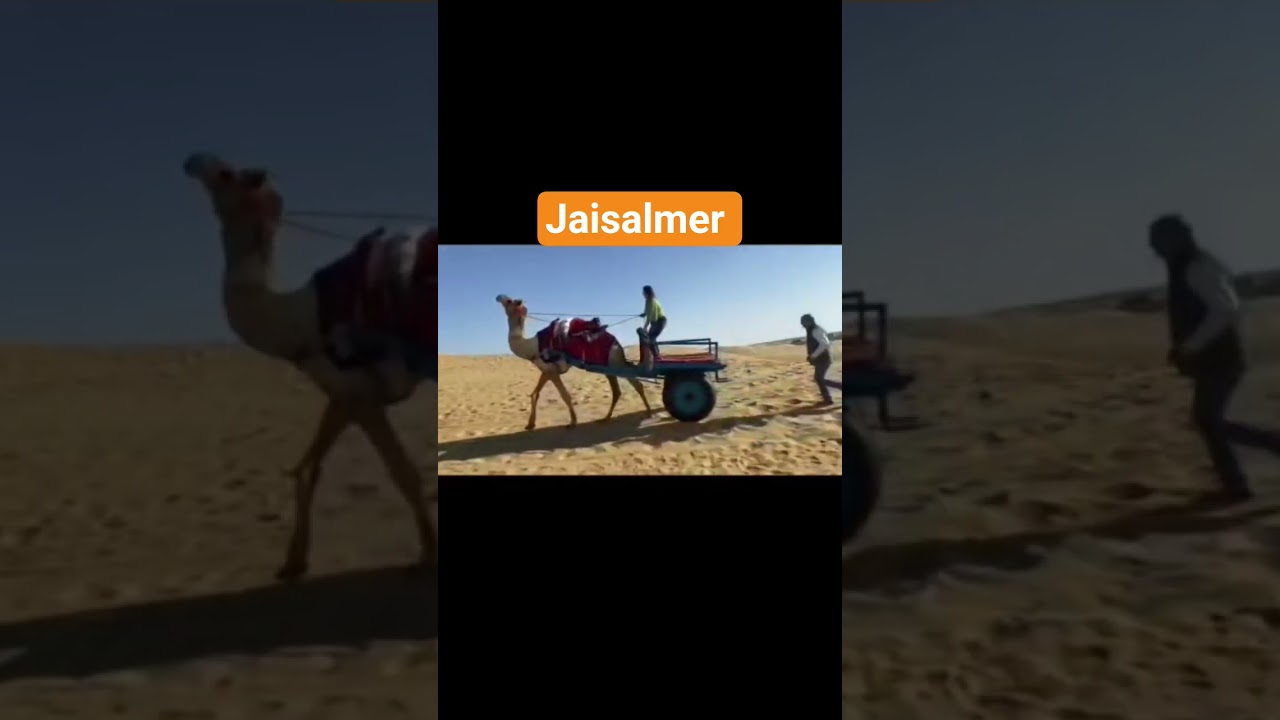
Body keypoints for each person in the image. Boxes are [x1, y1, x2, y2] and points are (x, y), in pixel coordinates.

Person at [1150, 213, 1280, 502]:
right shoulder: (1186, 265)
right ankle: (1237, 483)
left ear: (1175, 239)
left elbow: (1225, 309)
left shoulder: (1196, 266)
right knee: (1209, 420)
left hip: (1221, 357)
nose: (1154, 250)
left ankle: (1240, 481)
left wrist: (1192, 346)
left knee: (1208, 420)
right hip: (1215, 356)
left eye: (1158, 241)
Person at [801, 313, 833, 406]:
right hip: (821, 359)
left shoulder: (815, 330)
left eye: (803, 322)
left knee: (819, 378)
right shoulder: (812, 330)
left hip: (823, 359)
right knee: (819, 378)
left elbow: (825, 344)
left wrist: (813, 356)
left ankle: (828, 399)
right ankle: (828, 398)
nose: (802, 324)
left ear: (809, 321)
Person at [640, 285, 666, 367]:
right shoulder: (647, 301)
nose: (642, 293)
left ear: (647, 292)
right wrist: (643, 314)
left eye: (643, 292)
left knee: (651, 338)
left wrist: (645, 326)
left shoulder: (652, 301)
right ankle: (656, 357)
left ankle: (657, 358)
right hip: (655, 321)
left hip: (659, 321)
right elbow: (647, 312)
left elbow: (651, 316)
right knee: (651, 338)